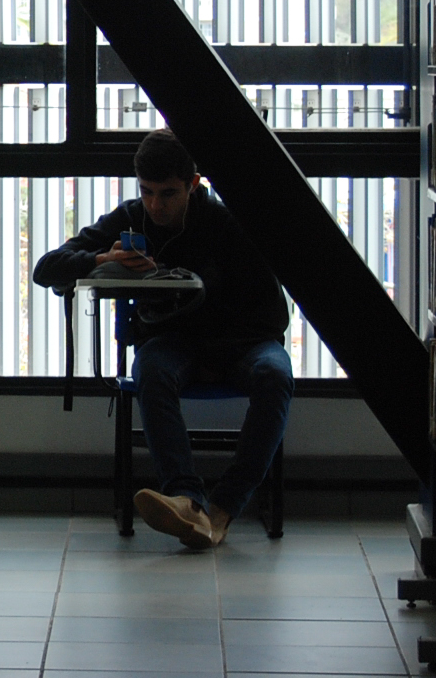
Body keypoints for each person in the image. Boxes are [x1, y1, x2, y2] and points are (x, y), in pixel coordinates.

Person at [31, 128, 291, 549]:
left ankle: (220, 508)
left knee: (275, 375)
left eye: (168, 194)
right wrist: (104, 259)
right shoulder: (132, 217)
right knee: (151, 370)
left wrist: (214, 345)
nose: (155, 205)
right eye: (147, 192)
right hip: (174, 343)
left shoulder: (228, 224)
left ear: (193, 185)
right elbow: (46, 268)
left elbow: (272, 314)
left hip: (242, 342)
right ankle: (186, 497)